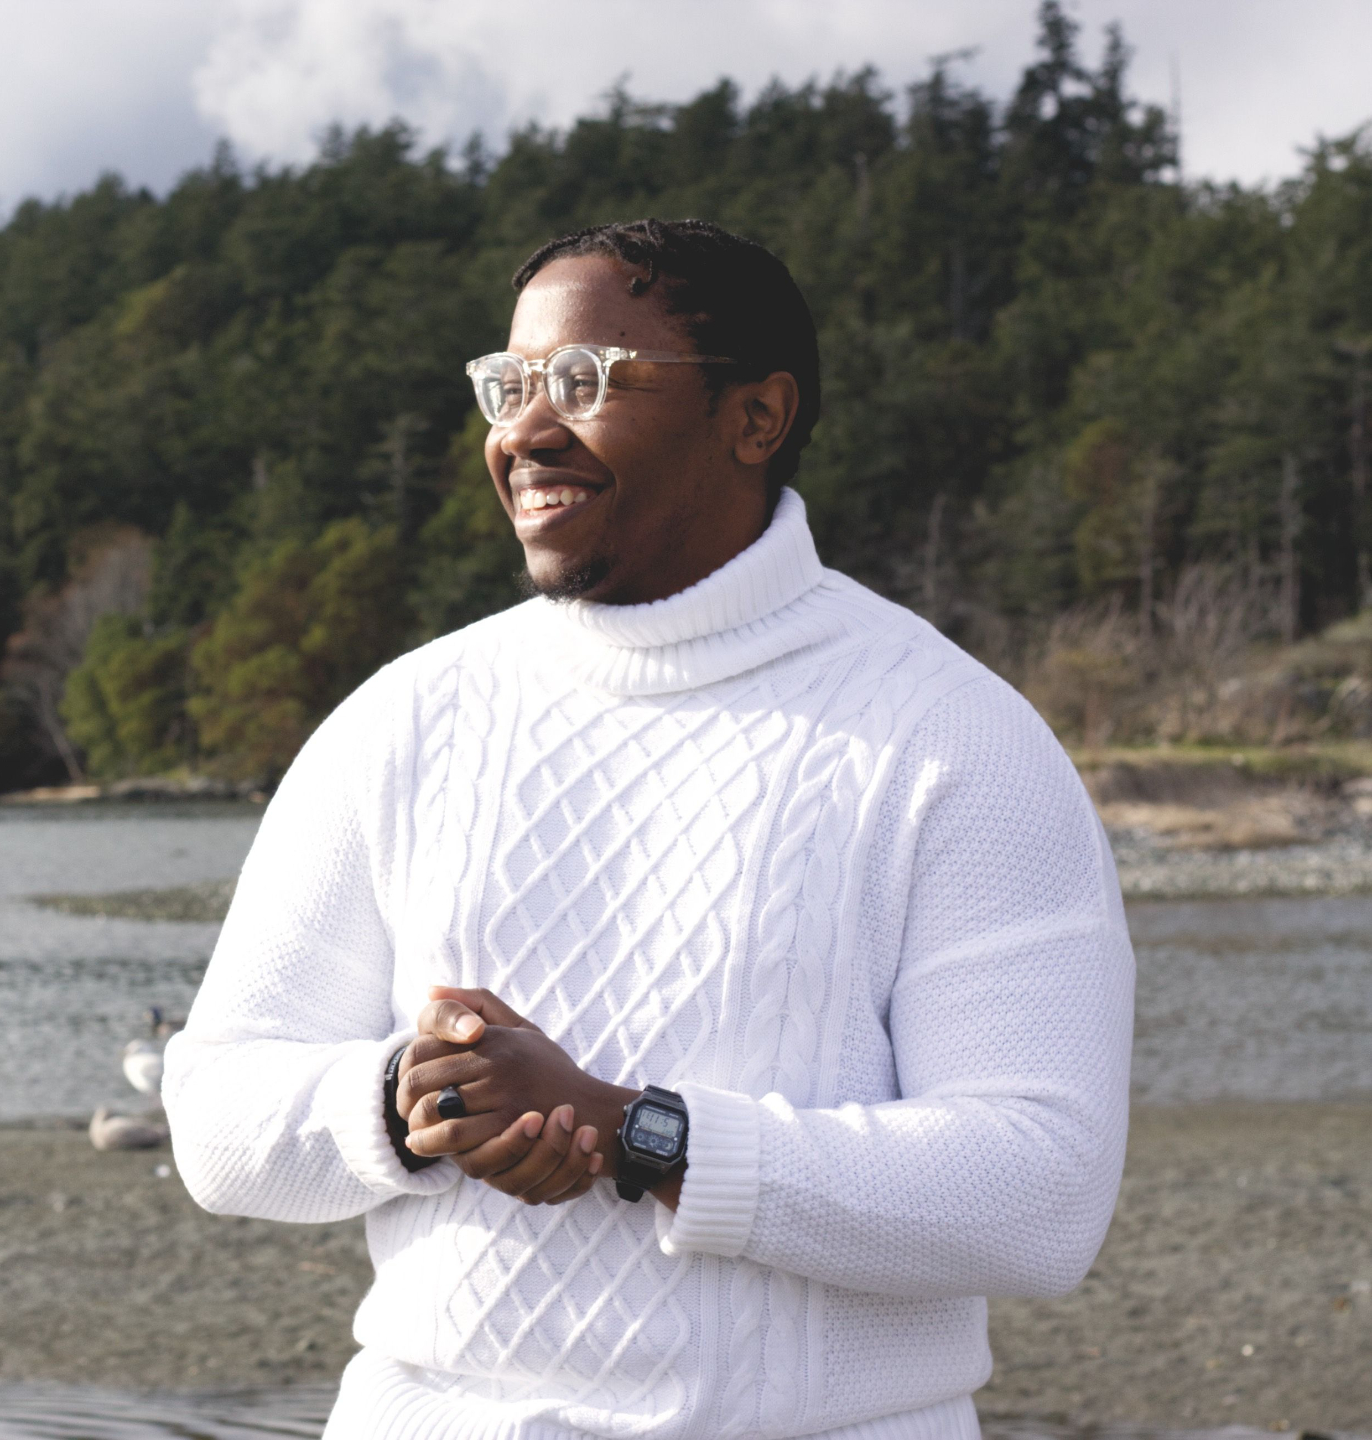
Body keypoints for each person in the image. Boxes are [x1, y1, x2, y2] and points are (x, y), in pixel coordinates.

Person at [162, 217, 1134, 1439]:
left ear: (755, 416)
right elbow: (216, 1121)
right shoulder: (400, 722)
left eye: (584, 381)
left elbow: (1036, 1194)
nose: (522, 430)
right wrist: (417, 1101)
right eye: (506, 386)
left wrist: (640, 1134)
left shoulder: (952, 740)